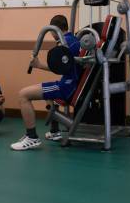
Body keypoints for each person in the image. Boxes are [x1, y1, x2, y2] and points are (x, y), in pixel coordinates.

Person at [10, 15, 81, 151]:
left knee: (23, 95)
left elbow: (60, 69)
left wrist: (38, 64)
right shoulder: (74, 40)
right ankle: (54, 131)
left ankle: (32, 137)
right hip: (71, 84)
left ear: (54, 30)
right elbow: (66, 67)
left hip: (67, 87)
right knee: (47, 93)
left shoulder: (65, 43)